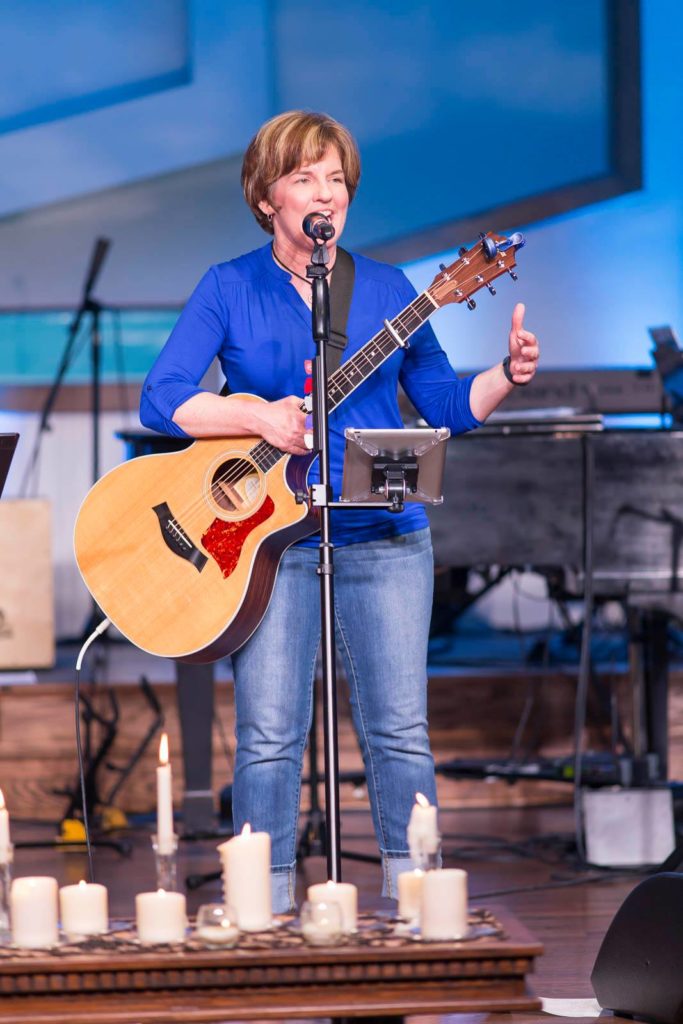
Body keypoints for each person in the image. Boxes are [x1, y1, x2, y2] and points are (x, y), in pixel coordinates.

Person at [140, 110, 539, 912]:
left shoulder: (392, 291)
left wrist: (506, 373)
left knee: (398, 733)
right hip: (271, 546)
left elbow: (443, 405)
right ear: (266, 198)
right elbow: (162, 400)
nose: (326, 193)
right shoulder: (229, 286)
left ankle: (415, 898)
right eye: (304, 177)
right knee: (267, 739)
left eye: (336, 179)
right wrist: (258, 416)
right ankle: (266, 904)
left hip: (384, 536)